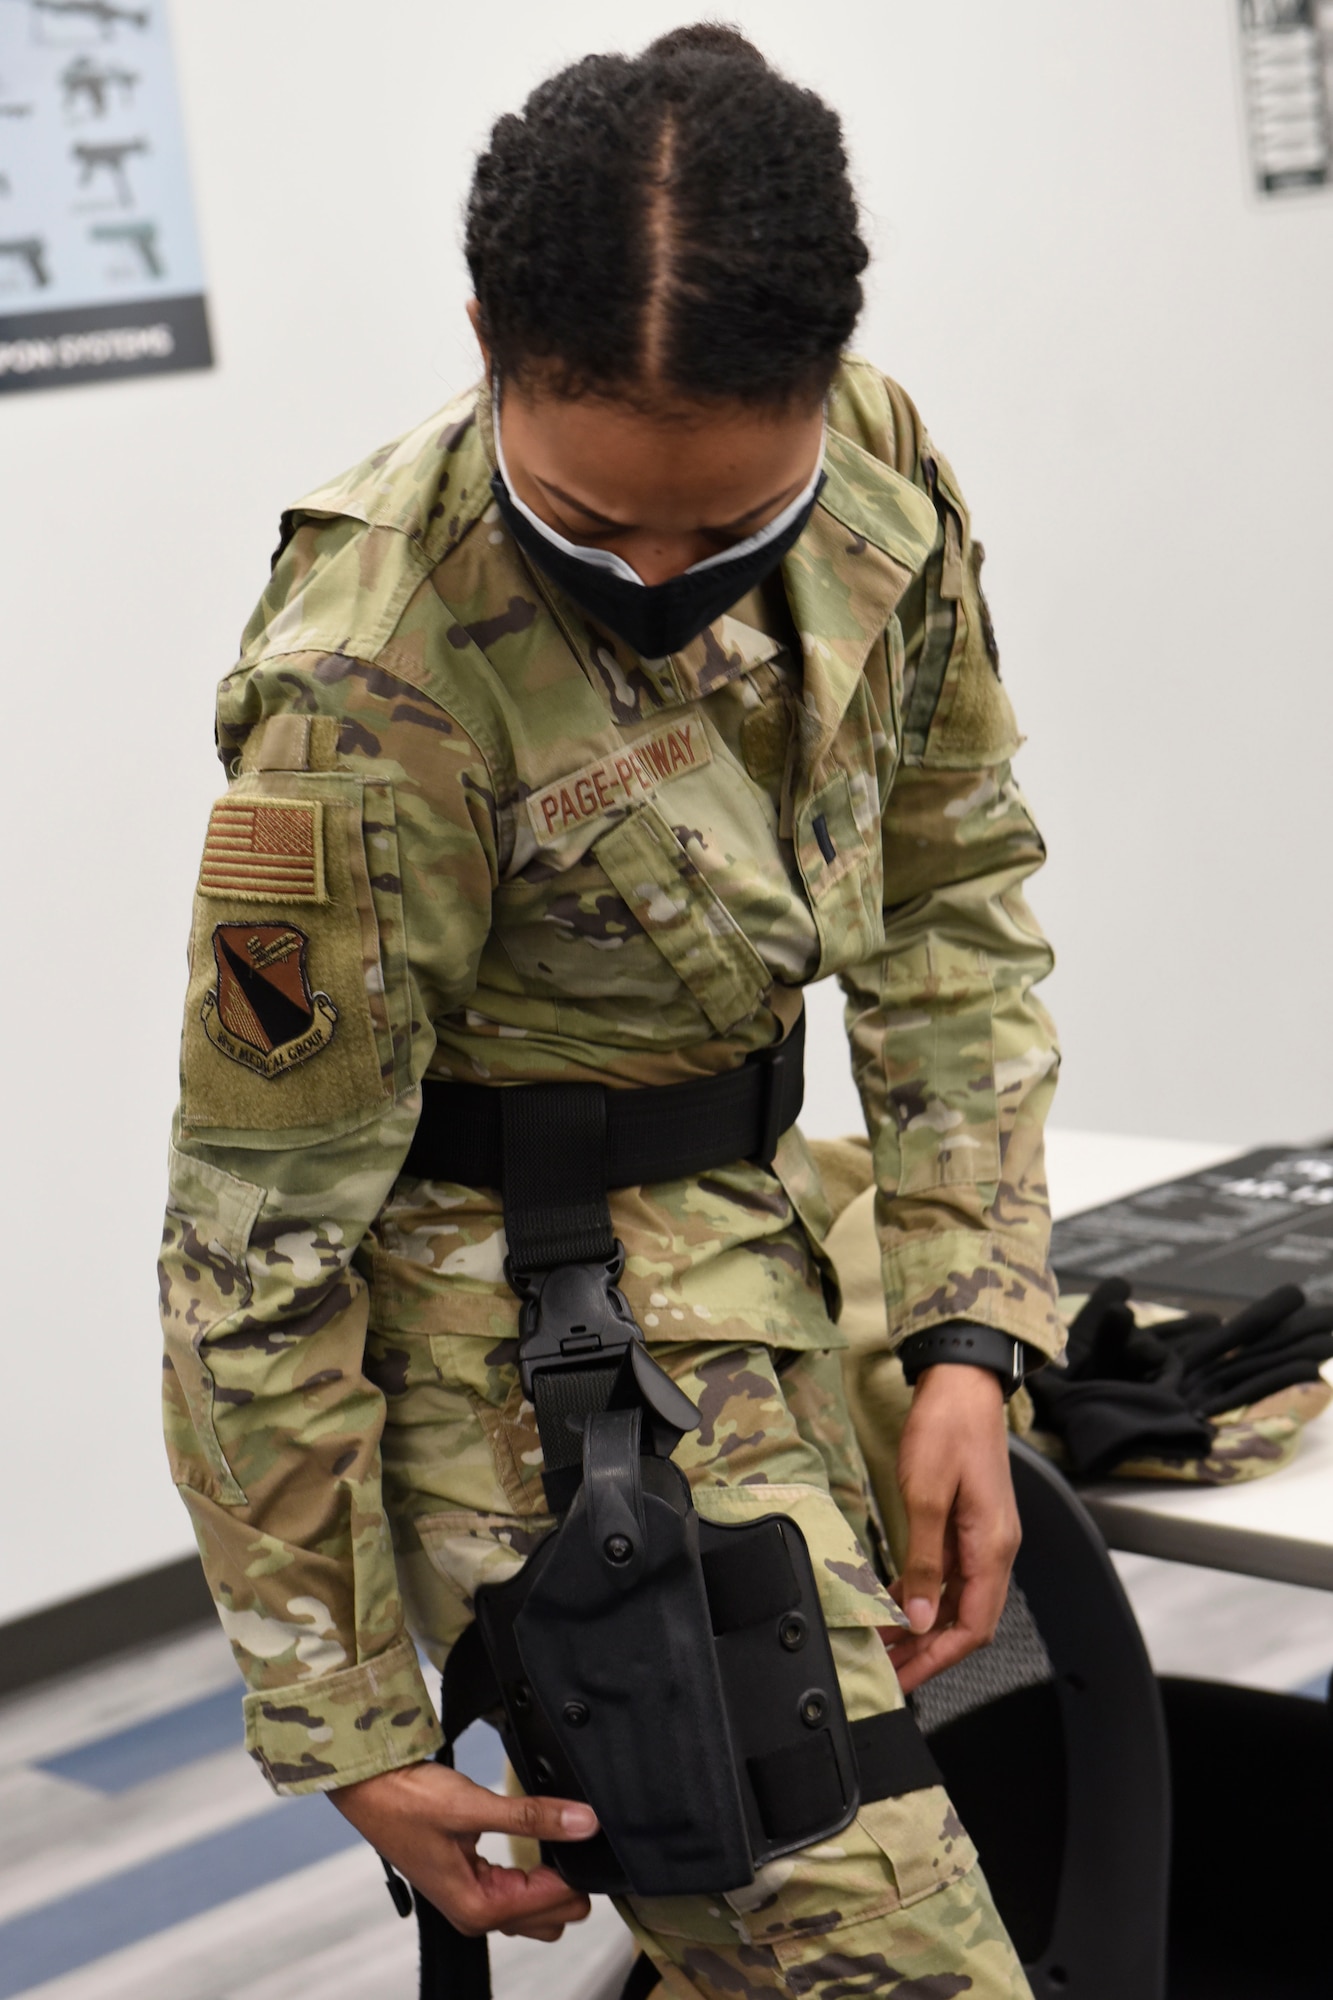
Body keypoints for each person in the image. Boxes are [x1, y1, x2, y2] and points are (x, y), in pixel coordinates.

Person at [158, 25, 1062, 1998]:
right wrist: (352, 1723)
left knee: (999, 1770)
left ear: (823, 385)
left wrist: (968, 1326)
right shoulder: (364, 678)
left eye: (722, 527)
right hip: (529, 1347)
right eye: (593, 525)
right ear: (486, 337)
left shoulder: (881, 467)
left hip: (776, 1218)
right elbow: (258, 1231)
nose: (660, 580)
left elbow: (948, 901)